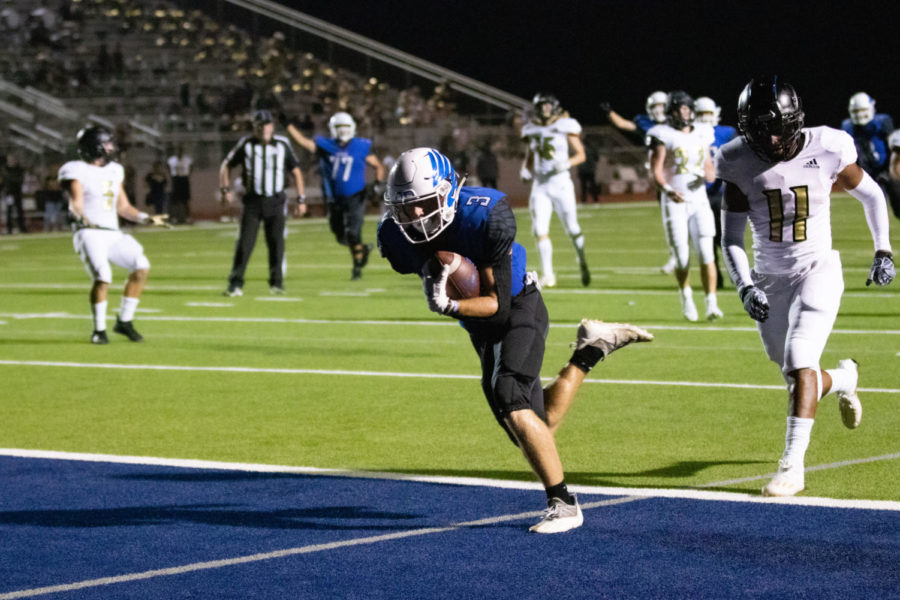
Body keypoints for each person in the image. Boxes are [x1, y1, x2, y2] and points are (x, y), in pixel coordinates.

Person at [377, 147, 653, 533]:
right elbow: (440, 267)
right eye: (407, 208)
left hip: (519, 304)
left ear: (448, 192)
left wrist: (448, 304)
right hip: (479, 326)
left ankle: (564, 503)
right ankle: (590, 351)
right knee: (536, 426)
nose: (417, 216)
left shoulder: (485, 216)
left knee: (511, 396)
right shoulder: (394, 236)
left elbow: (499, 306)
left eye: (424, 204)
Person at [717, 76, 895, 497]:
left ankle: (791, 466)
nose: (771, 138)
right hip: (767, 279)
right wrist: (745, 286)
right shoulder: (737, 159)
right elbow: (730, 239)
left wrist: (883, 250)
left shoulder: (829, 146)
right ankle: (845, 378)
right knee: (797, 375)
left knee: (799, 361)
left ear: (795, 120)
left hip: (818, 268)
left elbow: (872, 195)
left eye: (776, 126)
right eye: (760, 129)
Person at [58, 125, 168, 344]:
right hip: (89, 232)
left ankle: (124, 321)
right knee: (103, 275)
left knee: (141, 265)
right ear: (94, 146)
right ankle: (99, 330)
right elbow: (76, 202)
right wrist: (79, 215)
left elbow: (124, 207)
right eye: (107, 143)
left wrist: (146, 218)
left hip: (112, 233)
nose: (111, 147)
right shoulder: (75, 169)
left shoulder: (115, 170)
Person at [647, 91, 722, 321]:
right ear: (671, 113)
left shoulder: (703, 132)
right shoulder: (662, 134)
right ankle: (686, 296)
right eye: (679, 109)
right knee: (681, 257)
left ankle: (711, 303)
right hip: (674, 202)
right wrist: (669, 191)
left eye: (687, 109)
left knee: (707, 252)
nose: (684, 113)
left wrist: (709, 175)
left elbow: (709, 168)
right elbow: (656, 171)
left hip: (699, 201)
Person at [287, 111, 384, 280]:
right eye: (339, 127)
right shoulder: (327, 145)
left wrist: (376, 185)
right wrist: (287, 125)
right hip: (334, 198)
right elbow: (303, 142)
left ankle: (357, 269)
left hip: (356, 196)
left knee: (354, 232)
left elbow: (379, 166)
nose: (342, 130)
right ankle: (362, 249)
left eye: (345, 127)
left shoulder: (361, 145)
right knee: (340, 235)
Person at [220, 109, 305, 296]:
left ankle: (276, 284)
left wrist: (301, 198)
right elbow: (226, 165)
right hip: (252, 201)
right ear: (254, 127)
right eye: (259, 126)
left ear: (272, 126)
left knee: (276, 243)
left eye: (266, 125)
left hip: (276, 200)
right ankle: (235, 284)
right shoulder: (246, 144)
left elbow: (296, 171)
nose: (263, 129)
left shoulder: (282, 144)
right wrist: (225, 189)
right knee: (245, 244)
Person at [521, 93, 590, 287]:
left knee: (572, 228)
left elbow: (581, 154)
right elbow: (530, 155)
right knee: (540, 229)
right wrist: (525, 169)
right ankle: (548, 274)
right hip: (540, 185)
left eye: (548, 106)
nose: (545, 109)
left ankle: (582, 259)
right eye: (542, 106)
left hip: (561, 184)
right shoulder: (531, 129)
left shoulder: (565, 125)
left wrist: (567, 163)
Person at [694, 96, 739, 288]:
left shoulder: (727, 133)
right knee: (707, 239)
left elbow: (738, 157)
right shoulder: (690, 134)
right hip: (698, 195)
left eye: (707, 113)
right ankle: (717, 278)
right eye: (701, 114)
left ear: (715, 114)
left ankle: (736, 274)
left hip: (721, 193)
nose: (704, 118)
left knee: (726, 237)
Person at [841, 92, 899, 220]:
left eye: (862, 110)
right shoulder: (848, 126)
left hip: (886, 169)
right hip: (867, 172)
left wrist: (890, 170)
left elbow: (892, 146)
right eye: (856, 111)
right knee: (877, 205)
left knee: (897, 206)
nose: (860, 114)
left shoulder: (882, 122)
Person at [167, 144, 193, 224]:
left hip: (184, 179)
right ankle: (175, 217)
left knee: (185, 200)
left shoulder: (187, 159)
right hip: (176, 179)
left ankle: (188, 217)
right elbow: (168, 168)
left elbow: (191, 168)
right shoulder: (172, 160)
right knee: (175, 201)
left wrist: (187, 175)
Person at [3, 153, 26, 234]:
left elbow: (20, 179)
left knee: (20, 210)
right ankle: (9, 229)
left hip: (17, 192)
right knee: (9, 211)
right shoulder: (5, 169)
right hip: (9, 193)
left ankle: (22, 228)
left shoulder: (19, 169)